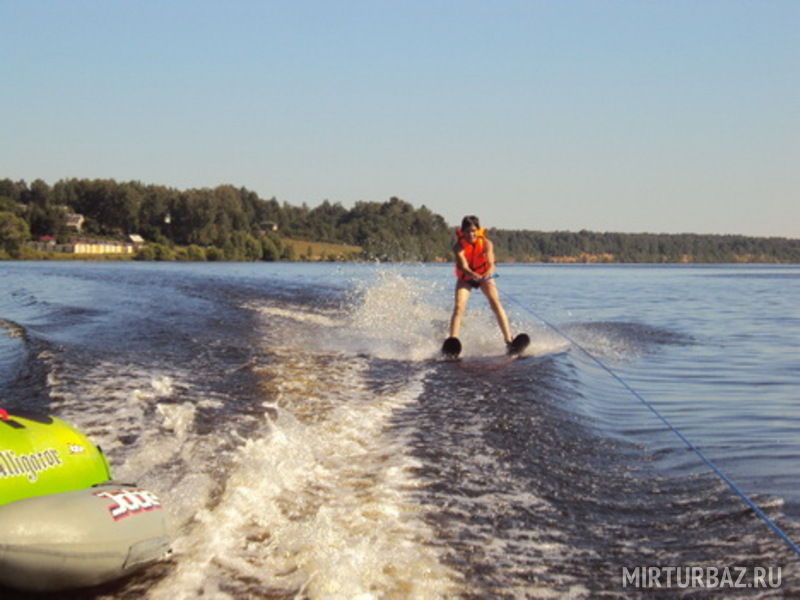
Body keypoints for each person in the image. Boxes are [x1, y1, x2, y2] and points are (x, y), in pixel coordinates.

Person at [448, 215, 514, 348]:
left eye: (473, 231)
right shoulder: (458, 247)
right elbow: (463, 267)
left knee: (495, 303)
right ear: (463, 231)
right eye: (467, 231)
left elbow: (491, 263)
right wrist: (473, 275)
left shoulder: (487, 243)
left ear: (478, 230)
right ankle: (452, 342)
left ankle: (509, 341)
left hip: (484, 277)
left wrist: (488, 274)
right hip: (466, 278)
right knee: (459, 306)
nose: (470, 234)